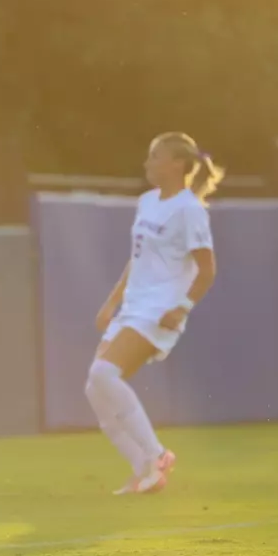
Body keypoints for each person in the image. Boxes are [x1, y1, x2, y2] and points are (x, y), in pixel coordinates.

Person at [89, 132, 221, 496]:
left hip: (159, 310)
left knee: (103, 373)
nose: (147, 163)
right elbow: (137, 258)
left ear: (177, 164)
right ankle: (144, 469)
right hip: (133, 307)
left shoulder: (189, 210)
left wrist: (182, 307)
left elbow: (207, 269)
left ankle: (157, 454)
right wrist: (112, 302)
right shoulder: (147, 201)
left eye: (155, 156)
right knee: (95, 389)